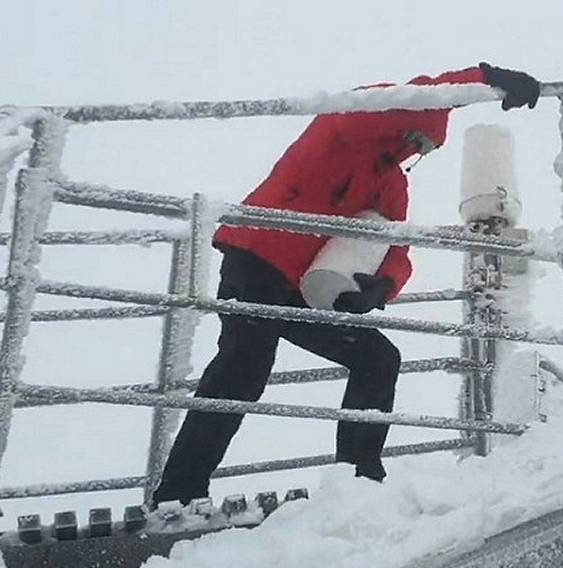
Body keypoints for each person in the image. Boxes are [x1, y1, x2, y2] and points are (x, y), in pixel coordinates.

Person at [151, 63, 541, 505]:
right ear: (412, 120)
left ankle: (358, 482)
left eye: (425, 149)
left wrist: (380, 288)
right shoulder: (346, 127)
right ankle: (178, 493)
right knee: (241, 369)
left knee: (378, 358)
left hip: (302, 286)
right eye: (419, 139)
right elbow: (413, 96)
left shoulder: (390, 181)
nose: (416, 150)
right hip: (255, 257)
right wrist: (483, 78)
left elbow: (395, 245)